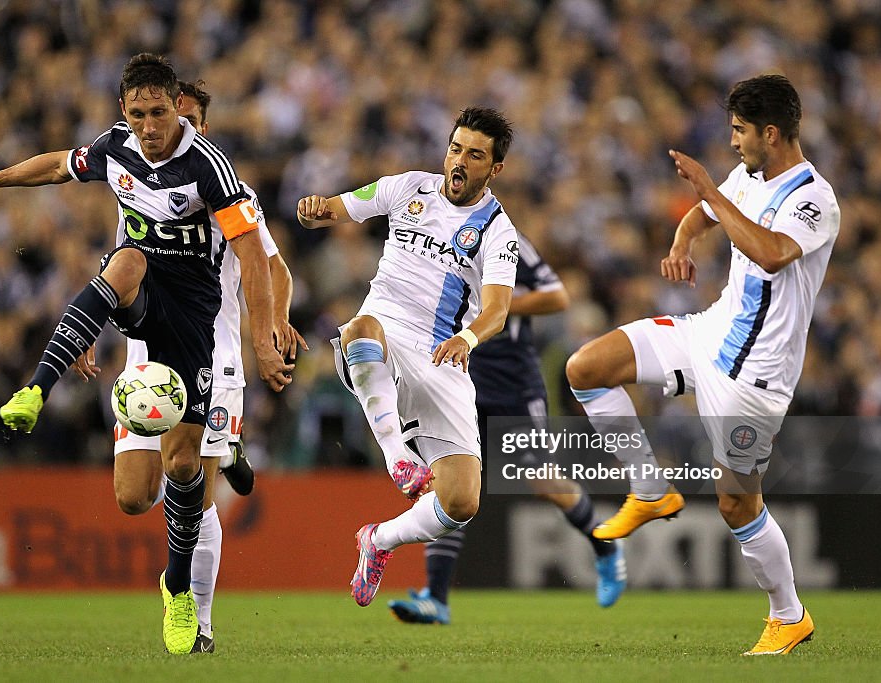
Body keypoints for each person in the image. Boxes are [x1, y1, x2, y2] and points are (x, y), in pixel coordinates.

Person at [0, 54, 292, 655]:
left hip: (196, 328)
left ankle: (181, 591)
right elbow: (59, 165)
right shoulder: (117, 148)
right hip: (141, 315)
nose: (152, 125)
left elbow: (259, 260)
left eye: (162, 113)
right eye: (140, 114)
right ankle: (36, 387)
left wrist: (266, 339)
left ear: (183, 114)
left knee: (182, 471)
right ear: (125, 113)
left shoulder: (212, 170)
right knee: (128, 261)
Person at [564, 74, 839, 655]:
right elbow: (702, 216)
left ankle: (788, 615)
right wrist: (682, 244)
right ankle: (649, 486)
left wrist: (712, 191)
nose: (733, 141)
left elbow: (769, 252)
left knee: (737, 502)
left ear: (771, 132)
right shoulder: (748, 176)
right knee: (586, 367)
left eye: (740, 131)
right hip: (709, 332)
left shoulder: (815, 199)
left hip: (757, 375)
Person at [71, 80, 306, 654]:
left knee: (192, 487)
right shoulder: (143, 192)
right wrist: (90, 333)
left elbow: (271, 267)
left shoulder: (229, 191)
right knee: (133, 497)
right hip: (147, 359)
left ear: (198, 123)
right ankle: (227, 454)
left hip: (216, 356)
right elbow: (119, 273)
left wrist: (274, 323)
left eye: (186, 118)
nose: (174, 128)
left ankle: (196, 623)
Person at [297, 107, 518, 607]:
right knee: (359, 327)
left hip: (444, 355)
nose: (459, 161)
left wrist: (468, 339)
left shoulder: (498, 231)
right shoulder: (409, 188)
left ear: (494, 169)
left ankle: (377, 541)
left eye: (475, 155)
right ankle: (399, 459)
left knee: (461, 502)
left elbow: (498, 311)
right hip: (381, 338)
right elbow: (335, 208)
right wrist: (313, 209)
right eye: (455, 148)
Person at [387, 232, 626, 625]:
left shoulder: (505, 240)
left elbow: (556, 296)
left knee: (542, 480)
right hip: (457, 378)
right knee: (447, 483)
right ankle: (436, 596)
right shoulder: (428, 240)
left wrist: (491, 307)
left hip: (513, 384)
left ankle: (604, 543)